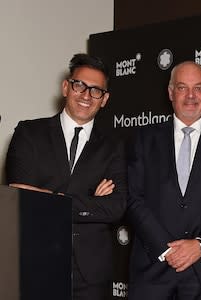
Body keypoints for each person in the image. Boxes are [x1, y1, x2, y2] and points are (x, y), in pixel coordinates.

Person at [6, 53, 127, 299]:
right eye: (79, 85)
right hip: (37, 264)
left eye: (96, 91)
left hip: (91, 275)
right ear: (66, 87)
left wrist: (50, 197)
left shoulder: (115, 146)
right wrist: (89, 200)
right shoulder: (29, 133)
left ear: (104, 100)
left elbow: (115, 207)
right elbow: (21, 200)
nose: (86, 95)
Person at [126, 61, 201, 300]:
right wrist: (165, 248)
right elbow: (133, 197)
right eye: (182, 87)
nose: (190, 95)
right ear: (170, 93)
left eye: (198, 88)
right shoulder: (144, 138)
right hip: (152, 269)